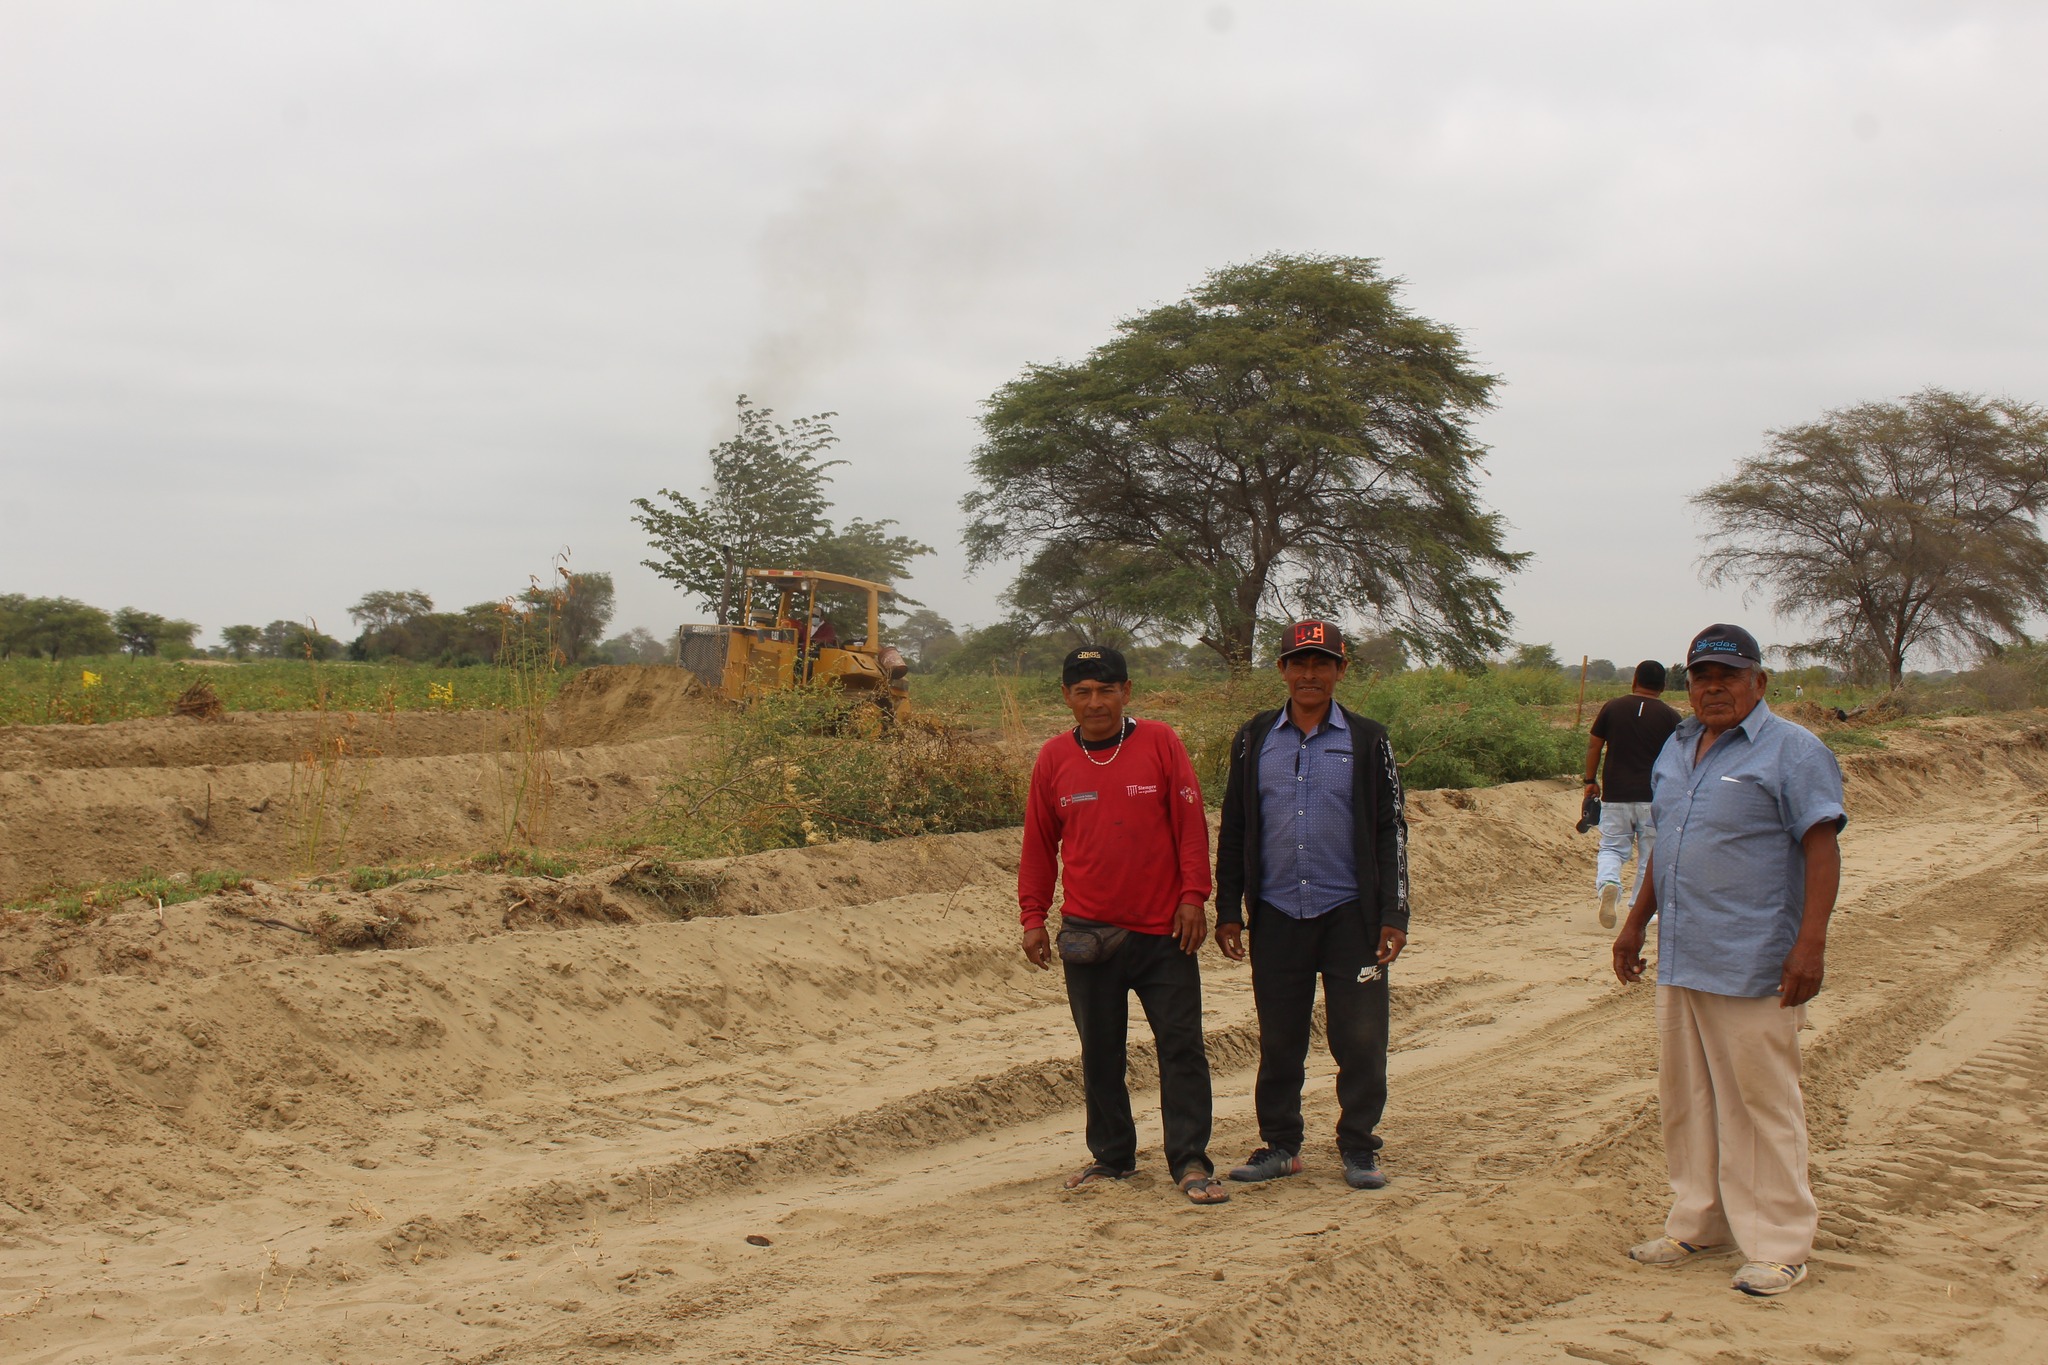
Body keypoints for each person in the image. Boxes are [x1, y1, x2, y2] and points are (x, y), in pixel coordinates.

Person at [1612, 623, 1845, 1298]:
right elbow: (1667, 842)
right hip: (1684, 953)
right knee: (1686, 1097)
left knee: (1762, 1103)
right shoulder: (1677, 746)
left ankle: (1779, 1243)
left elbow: (1821, 847)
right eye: (1702, 677)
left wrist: (1812, 943)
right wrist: (1635, 921)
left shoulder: (1793, 751)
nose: (1713, 688)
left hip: (1755, 959)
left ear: (1758, 682)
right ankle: (1698, 1220)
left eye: (1728, 676)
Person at [1017, 645, 1228, 1205]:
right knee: (1100, 1050)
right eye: (1082, 692)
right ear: (1066, 698)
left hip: (1164, 931)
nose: (1095, 703)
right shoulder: (1053, 758)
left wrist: (1193, 897)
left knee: (1181, 1048)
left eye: (1106, 690)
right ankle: (1112, 1156)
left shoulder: (1160, 742)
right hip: (1089, 934)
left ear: (1126, 692)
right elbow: (1039, 843)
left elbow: (1190, 826)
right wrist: (1032, 915)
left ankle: (1189, 1160)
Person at [1213, 620, 1409, 1192]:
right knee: (1279, 1040)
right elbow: (1236, 827)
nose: (1309, 675)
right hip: (1276, 913)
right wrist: (1229, 907)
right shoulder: (1253, 738)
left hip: (1351, 914)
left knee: (1362, 1039)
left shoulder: (1369, 740)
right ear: (1281, 670)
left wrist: (1394, 913)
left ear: (1341, 671)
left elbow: (1390, 828)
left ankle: (1359, 1148)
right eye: (1298, 663)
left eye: (1322, 664)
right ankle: (1280, 1144)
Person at [1583, 661, 1682, 928]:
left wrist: (1590, 780)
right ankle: (1640, 911)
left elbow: (1594, 745)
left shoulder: (1612, 707)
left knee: (1612, 848)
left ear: (1634, 680)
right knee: (1650, 855)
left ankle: (1609, 885)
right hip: (1654, 797)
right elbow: (1681, 758)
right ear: (1663, 686)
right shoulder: (1671, 717)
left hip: (1615, 794)